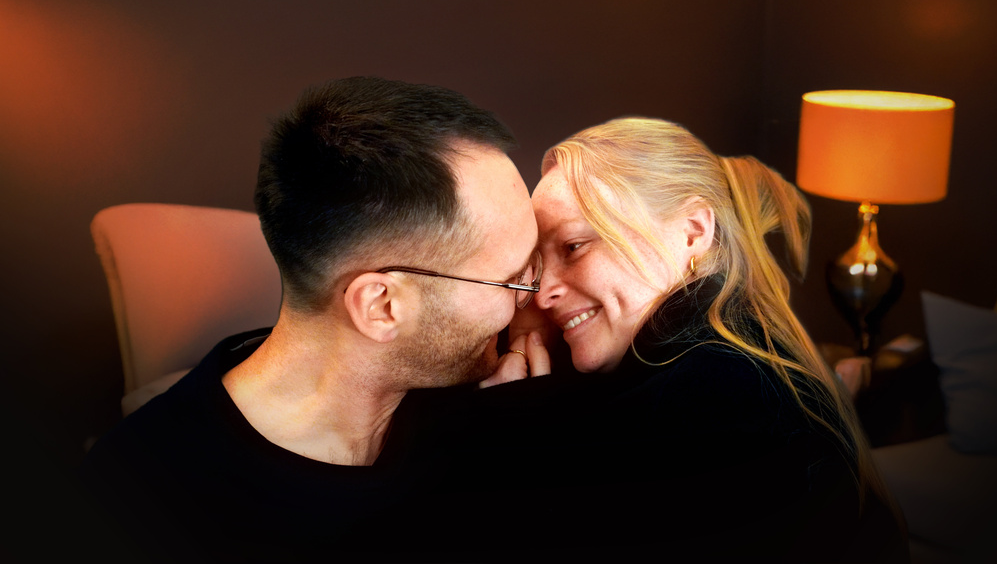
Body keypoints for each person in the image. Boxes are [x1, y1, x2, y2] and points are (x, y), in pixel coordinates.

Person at [79, 76, 544, 562]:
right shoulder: (136, 499)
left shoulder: (478, 394)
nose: (536, 295)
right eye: (513, 280)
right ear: (382, 306)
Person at [422, 116, 909, 561]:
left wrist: (511, 417)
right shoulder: (701, 359)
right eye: (537, 264)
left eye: (573, 247)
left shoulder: (722, 398)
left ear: (692, 232)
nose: (543, 292)